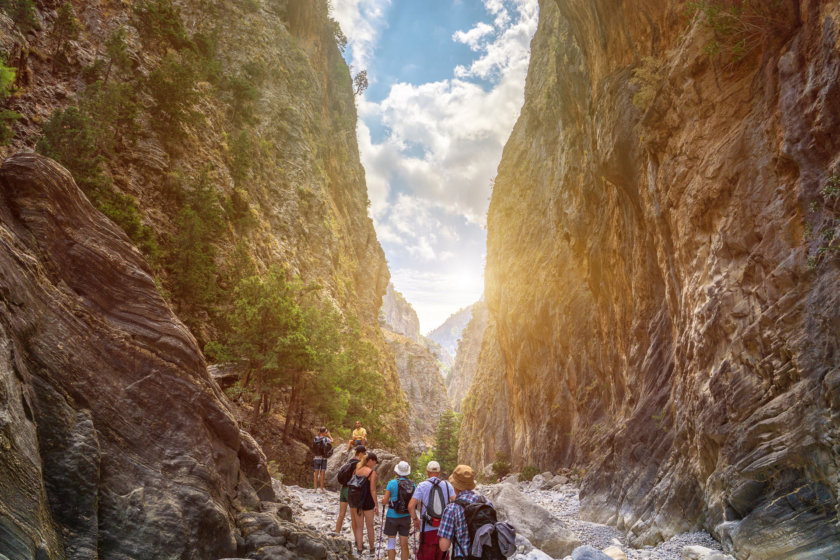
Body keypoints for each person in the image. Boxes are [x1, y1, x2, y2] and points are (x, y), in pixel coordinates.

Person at [438, 464, 490, 559]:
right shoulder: (486, 502)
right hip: (486, 556)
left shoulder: (452, 508)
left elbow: (444, 546)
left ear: (454, 485)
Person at [409, 460, 455, 560]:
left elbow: (411, 506)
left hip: (427, 529)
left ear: (427, 472)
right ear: (439, 473)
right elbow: (457, 503)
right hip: (444, 530)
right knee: (443, 556)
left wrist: (415, 519)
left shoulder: (422, 486)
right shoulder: (447, 485)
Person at [382, 461, 414, 560]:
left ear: (396, 472)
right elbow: (414, 502)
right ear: (407, 473)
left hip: (392, 516)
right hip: (406, 517)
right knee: (404, 544)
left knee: (391, 543)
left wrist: (384, 501)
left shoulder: (392, 483)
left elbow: (385, 501)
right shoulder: (413, 485)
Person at [350, 451, 379, 555]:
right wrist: (376, 505)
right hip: (368, 501)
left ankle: (359, 549)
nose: (375, 464)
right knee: (370, 526)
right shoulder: (371, 472)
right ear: (370, 461)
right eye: (375, 462)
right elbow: (373, 490)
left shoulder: (356, 470)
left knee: (359, 526)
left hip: (357, 501)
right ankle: (372, 550)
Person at [335, 445, 366, 536]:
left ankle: (337, 534)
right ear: (360, 453)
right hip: (351, 490)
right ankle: (357, 539)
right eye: (364, 453)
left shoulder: (349, 461)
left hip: (343, 489)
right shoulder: (358, 464)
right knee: (354, 517)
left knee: (341, 514)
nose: (364, 455)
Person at [312, 426, 332, 492]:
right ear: (324, 432)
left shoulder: (315, 438)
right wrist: (329, 436)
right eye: (326, 432)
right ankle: (321, 488)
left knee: (316, 473)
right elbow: (332, 441)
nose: (326, 433)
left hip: (316, 457)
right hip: (324, 458)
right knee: (322, 473)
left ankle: (315, 489)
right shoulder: (327, 439)